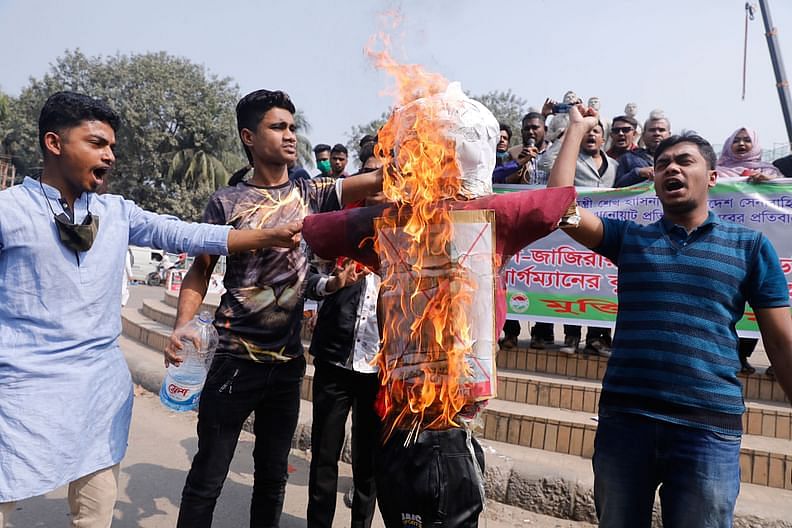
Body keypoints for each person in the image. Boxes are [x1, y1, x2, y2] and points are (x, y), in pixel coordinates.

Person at [0, 91, 304, 528]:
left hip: (98, 399)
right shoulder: (9, 212)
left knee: (94, 513)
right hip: (21, 397)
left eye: (112, 147)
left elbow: (189, 235)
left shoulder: (117, 212)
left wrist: (268, 236)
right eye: (97, 144)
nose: (110, 155)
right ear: (54, 143)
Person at [548, 104, 792, 528]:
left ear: (712, 178)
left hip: (707, 431)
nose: (670, 169)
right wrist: (575, 130)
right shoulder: (631, 239)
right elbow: (561, 210)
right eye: (661, 164)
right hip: (625, 423)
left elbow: (782, 342)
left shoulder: (750, 247)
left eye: (684, 161)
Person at [165, 89, 382, 528]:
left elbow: (376, 181)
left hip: (286, 365)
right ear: (249, 136)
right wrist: (182, 325)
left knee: (271, 480)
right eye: (277, 127)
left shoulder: (312, 192)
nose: (290, 136)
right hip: (232, 359)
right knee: (209, 476)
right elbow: (199, 272)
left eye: (292, 127)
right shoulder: (225, 202)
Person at [305, 145, 385, 528]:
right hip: (335, 359)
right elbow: (306, 277)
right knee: (323, 456)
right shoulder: (338, 226)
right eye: (370, 172)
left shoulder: (413, 233)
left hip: (379, 367)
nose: (377, 180)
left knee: (368, 464)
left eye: (385, 173)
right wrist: (331, 284)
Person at [716, 126, 783, 374]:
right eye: (737, 140)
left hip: (758, 250)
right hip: (724, 248)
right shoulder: (717, 172)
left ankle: (742, 356)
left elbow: (783, 198)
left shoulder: (769, 172)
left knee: (756, 305)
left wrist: (771, 185)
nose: (742, 144)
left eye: (747, 140)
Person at [559, 121, 618, 355]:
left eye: (596, 131)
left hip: (603, 231)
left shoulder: (615, 165)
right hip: (576, 229)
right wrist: (570, 133)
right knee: (575, 282)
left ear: (604, 139)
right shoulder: (571, 160)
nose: (592, 135)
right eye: (587, 131)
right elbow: (546, 165)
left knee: (600, 284)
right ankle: (571, 338)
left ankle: (597, 338)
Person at [614, 113, 671, 188]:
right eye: (652, 130)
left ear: (669, 135)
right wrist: (638, 173)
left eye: (661, 130)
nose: (657, 133)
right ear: (643, 136)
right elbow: (616, 188)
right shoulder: (628, 158)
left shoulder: (679, 158)